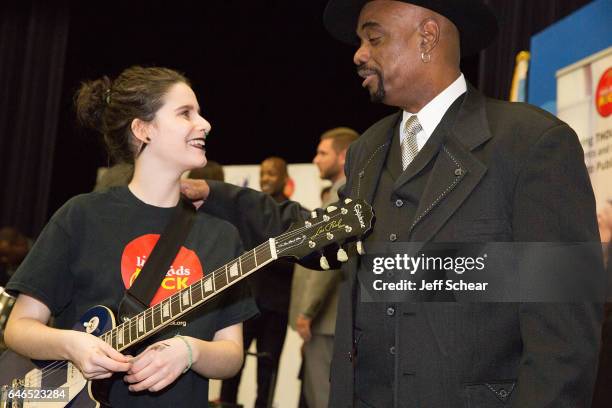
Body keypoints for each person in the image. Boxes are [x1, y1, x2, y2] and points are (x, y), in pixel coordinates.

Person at [181, 1, 604, 406]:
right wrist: (221, 196)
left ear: (427, 36)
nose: (359, 55)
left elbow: (565, 335)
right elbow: (325, 237)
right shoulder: (369, 149)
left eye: (374, 38)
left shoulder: (531, 142)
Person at [4, 66, 258, 407]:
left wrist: (190, 350)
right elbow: (19, 328)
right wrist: (72, 345)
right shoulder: (81, 216)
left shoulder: (221, 236)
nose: (205, 124)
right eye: (185, 113)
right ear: (143, 129)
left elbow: (231, 354)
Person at [219, 157, 294, 407]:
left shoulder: (291, 217)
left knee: (267, 371)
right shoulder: (249, 214)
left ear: (285, 178)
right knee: (232, 364)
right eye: (262, 173)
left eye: (271, 174)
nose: (265, 179)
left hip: (276, 308)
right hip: (246, 305)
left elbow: (294, 262)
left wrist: (264, 253)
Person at [294, 127, 357, 408]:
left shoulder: (339, 198)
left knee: (322, 396)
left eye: (323, 153)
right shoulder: (349, 193)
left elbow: (327, 261)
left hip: (324, 321)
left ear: (343, 156)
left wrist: (307, 312)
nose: (316, 159)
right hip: (334, 319)